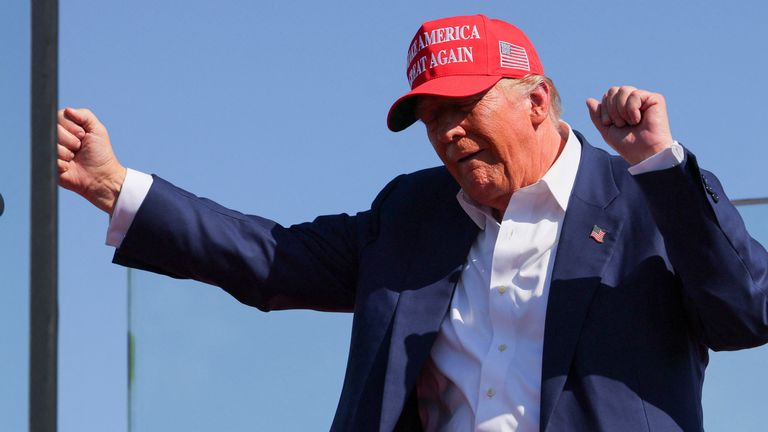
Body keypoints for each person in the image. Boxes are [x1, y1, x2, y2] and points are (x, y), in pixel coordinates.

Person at [58, 14, 768, 432]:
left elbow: (745, 312)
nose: (448, 133)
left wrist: (660, 164)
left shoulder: (651, 197)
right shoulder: (410, 214)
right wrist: (117, 186)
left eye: (464, 107)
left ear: (537, 100)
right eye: (432, 118)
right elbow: (271, 257)